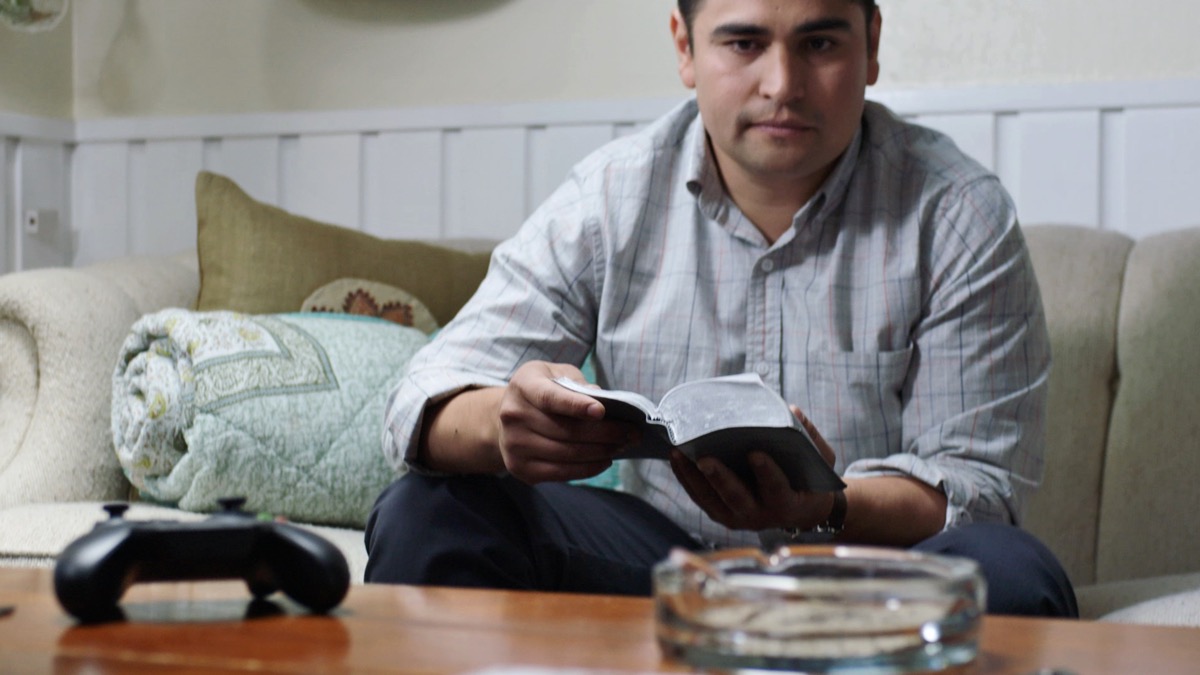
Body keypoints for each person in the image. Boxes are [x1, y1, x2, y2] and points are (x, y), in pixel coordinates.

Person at [366, 0, 1077, 617]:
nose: (782, 84)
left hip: (868, 571)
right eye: (743, 43)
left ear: (872, 45)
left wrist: (826, 504)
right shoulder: (608, 198)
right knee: (430, 512)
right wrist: (505, 422)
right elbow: (419, 401)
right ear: (685, 47)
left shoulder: (957, 213)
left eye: (820, 43)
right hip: (661, 564)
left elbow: (979, 490)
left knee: (1014, 573)